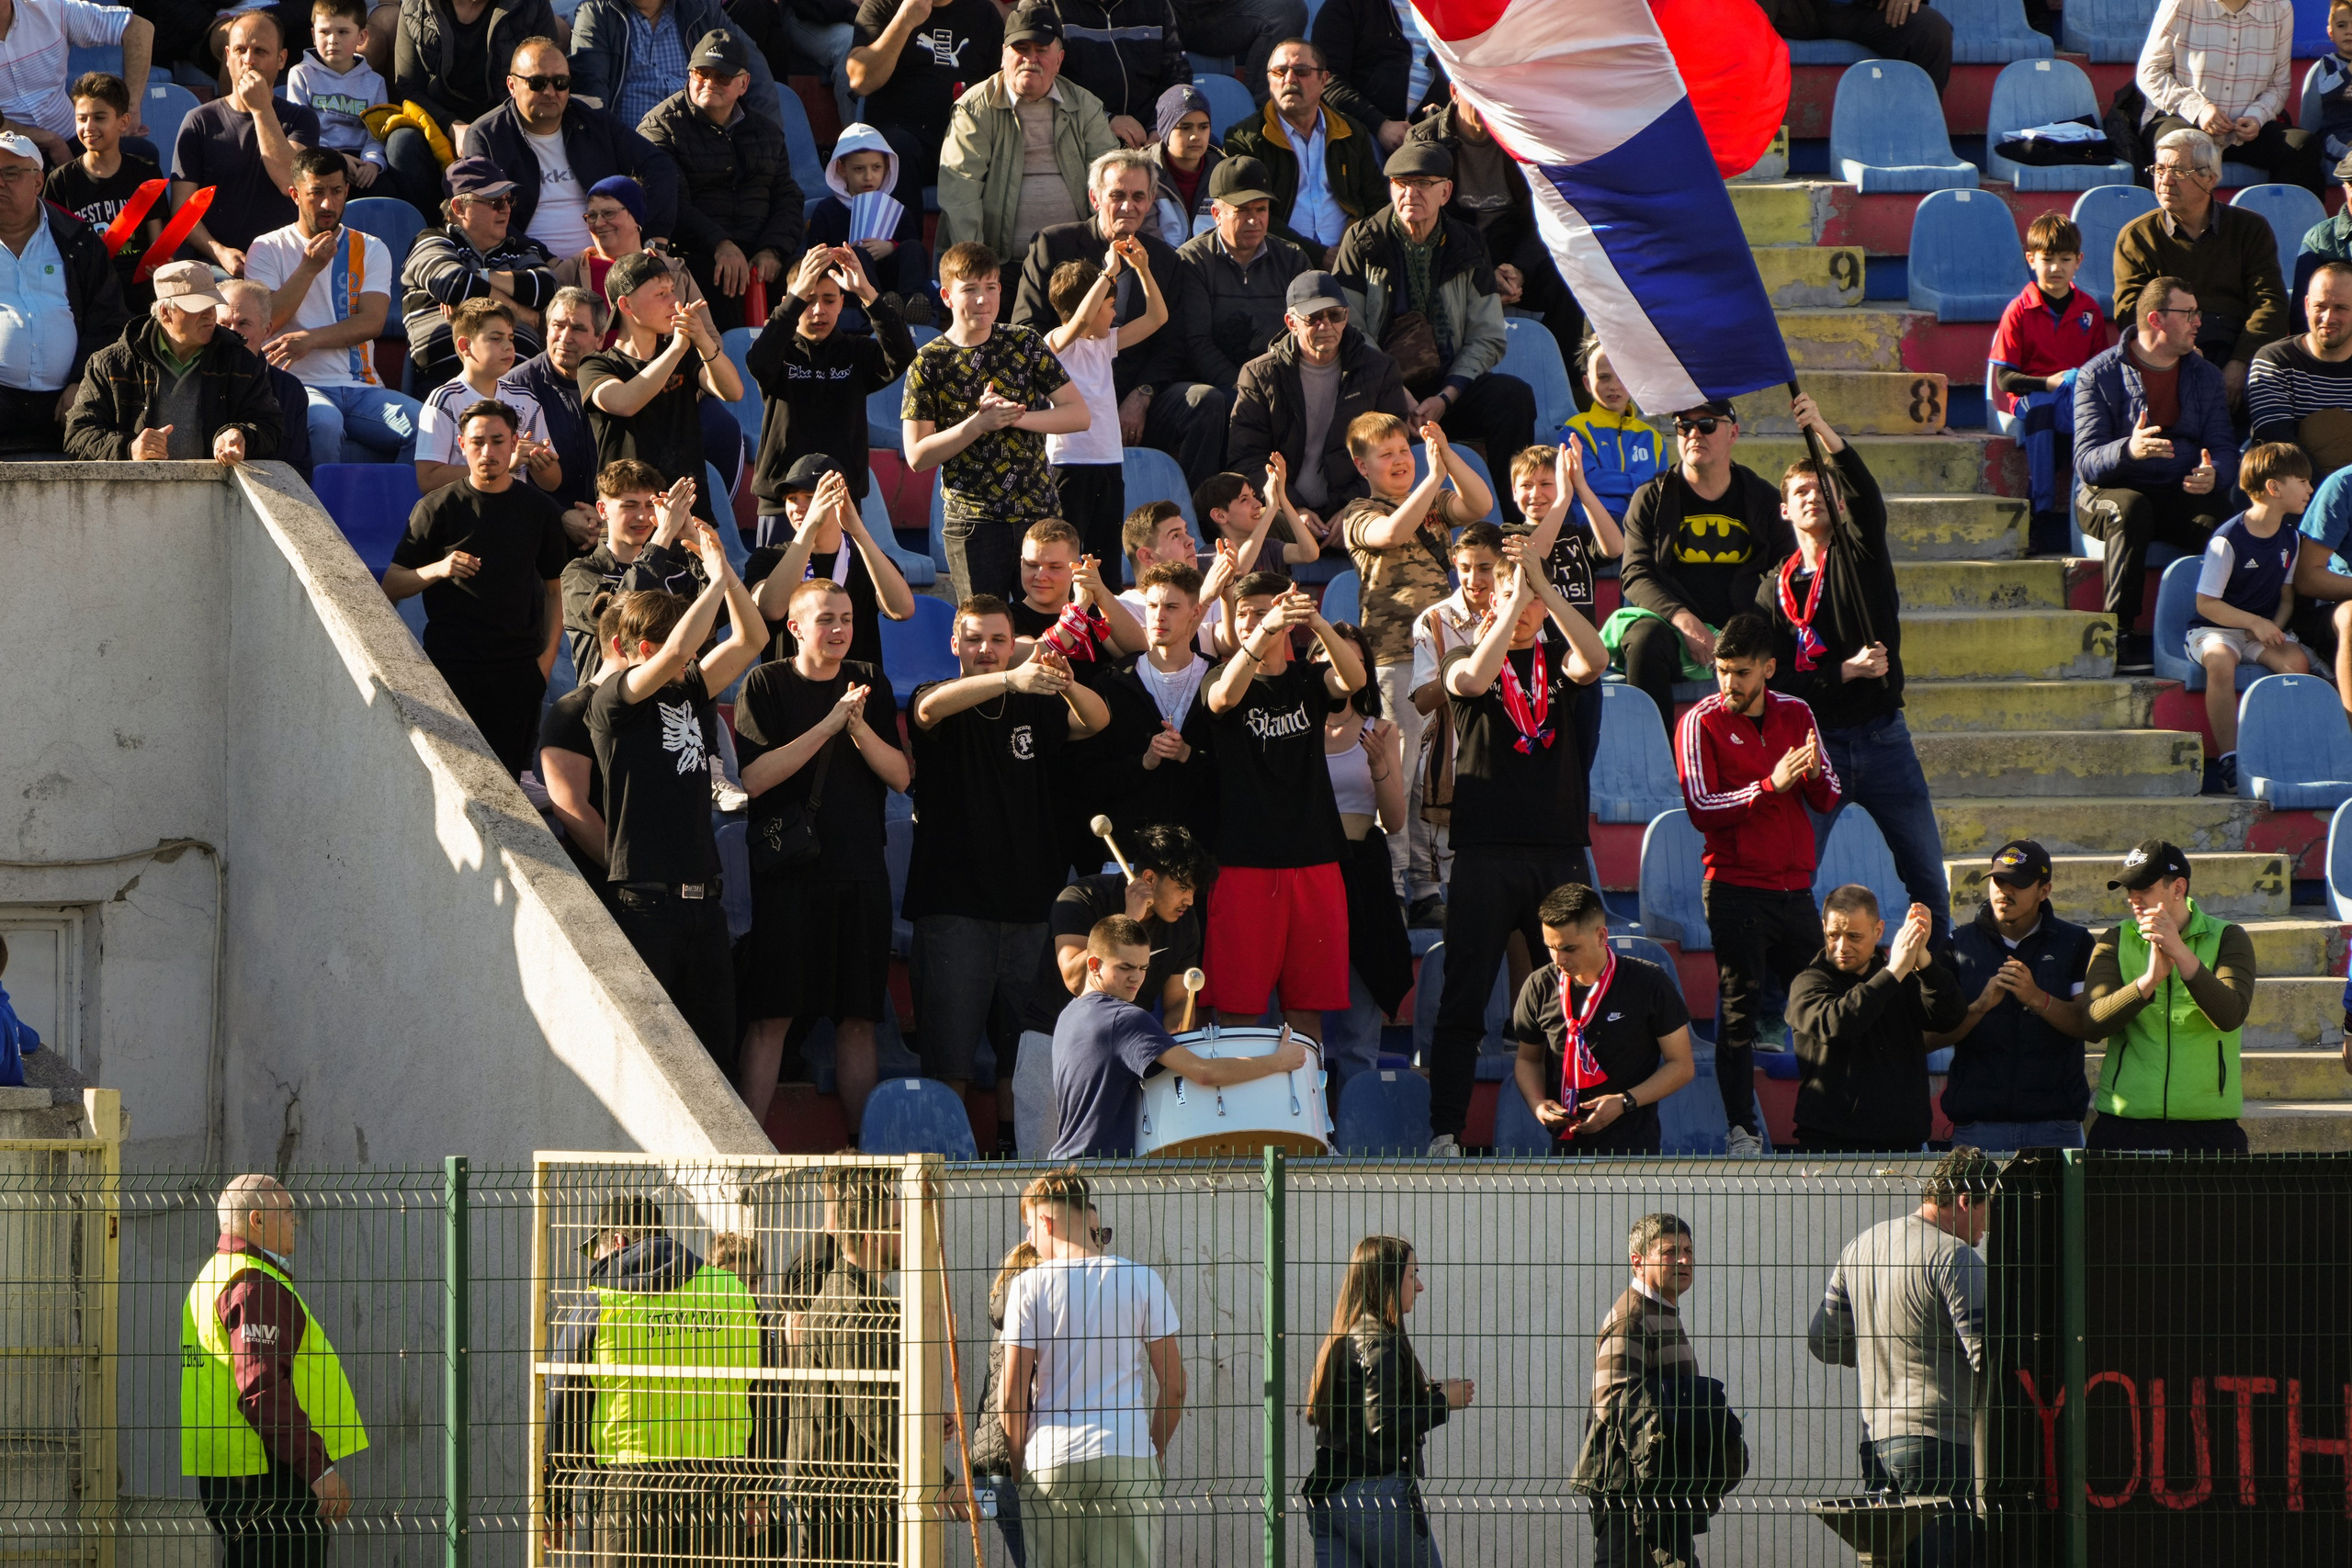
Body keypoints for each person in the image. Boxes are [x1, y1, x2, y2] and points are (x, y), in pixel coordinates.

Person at [1428, 541, 1610, 1152]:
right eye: (1511, 597)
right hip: (1484, 853)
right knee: (1464, 998)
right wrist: (1506, 610)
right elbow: (1472, 677)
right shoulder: (1463, 655)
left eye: (1531, 599)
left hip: (1557, 853)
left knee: (1567, 1002)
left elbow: (1598, 654)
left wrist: (1545, 590)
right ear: (1491, 602)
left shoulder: (1559, 662)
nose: (1524, 609)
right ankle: (1445, 1131)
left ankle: (1570, 1128)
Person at [1756, 398, 1948, 939]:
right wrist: (1843, 672)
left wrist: (1822, 430)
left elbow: (1867, 500)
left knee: (1928, 880)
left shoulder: (1859, 555)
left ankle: (1941, 982)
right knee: (1792, 878)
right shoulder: (1771, 588)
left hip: (1885, 741)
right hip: (1816, 749)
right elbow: (1776, 680)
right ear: (1785, 510)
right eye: (1801, 492)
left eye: (1823, 488)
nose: (1813, 496)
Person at [905, 594, 1110, 1100]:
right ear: (955, 642)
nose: (986, 649)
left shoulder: (1033, 701)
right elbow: (928, 710)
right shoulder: (937, 693)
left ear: (1012, 643)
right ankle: (948, 1166)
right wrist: (1008, 678)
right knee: (949, 1059)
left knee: (1022, 1061)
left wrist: (1065, 682)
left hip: (1031, 908)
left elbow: (1097, 721)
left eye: (998, 640)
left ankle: (1010, 1157)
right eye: (974, 638)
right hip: (954, 909)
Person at [584, 536, 768, 1070]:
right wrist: (710, 584)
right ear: (638, 648)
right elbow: (673, 653)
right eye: (677, 647)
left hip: (701, 902)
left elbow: (752, 638)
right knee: (653, 1061)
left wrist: (725, 573)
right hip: (645, 903)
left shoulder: (688, 689)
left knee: (715, 1056)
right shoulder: (610, 700)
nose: (691, 656)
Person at [733, 577, 909, 1133]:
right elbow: (755, 780)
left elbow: (901, 777)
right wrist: (829, 724)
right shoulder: (765, 684)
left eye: (847, 619)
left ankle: (868, 1159)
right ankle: (743, 1153)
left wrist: (855, 727)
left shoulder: (870, 683)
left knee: (858, 1019)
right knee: (772, 1017)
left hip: (860, 870)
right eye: (826, 620)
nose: (839, 630)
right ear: (795, 627)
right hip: (790, 875)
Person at [1676, 612, 1840, 1156]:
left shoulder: (1798, 712)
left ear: (1768, 669)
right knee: (1740, 1010)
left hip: (1795, 889)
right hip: (1735, 887)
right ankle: (1742, 1130)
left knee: (1821, 1006)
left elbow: (1830, 793)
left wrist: (1812, 775)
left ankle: (1826, 1123)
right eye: (1722, 671)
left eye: (1741, 673)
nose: (1729, 685)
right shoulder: (1699, 722)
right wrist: (1771, 784)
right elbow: (1701, 808)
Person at [540, 1193, 760, 1567]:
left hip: (629, 1488)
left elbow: (563, 1402)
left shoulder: (599, 1304)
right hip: (720, 1484)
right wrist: (758, 1485)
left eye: (598, 1250)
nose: (597, 1261)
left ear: (619, 1242)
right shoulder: (733, 1293)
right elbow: (765, 1392)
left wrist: (554, 1501)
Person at [1806, 1147, 1996, 1568]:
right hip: (1942, 1442)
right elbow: (1988, 1358)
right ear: (1965, 1200)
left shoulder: (1861, 1245)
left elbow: (1822, 1340)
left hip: (1878, 1443)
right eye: (1988, 1209)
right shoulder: (1956, 1257)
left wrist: (1881, 1347)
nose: (1987, 1225)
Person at [1330, 410, 1491, 895]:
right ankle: (1396, 884)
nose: (1400, 461)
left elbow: (1480, 503)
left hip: (1439, 658)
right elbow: (1393, 533)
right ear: (1363, 466)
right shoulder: (1360, 513)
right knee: (1398, 773)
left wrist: (1445, 459)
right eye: (1387, 455)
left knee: (1433, 774)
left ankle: (1426, 886)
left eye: (1405, 451)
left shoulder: (1437, 501)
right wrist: (1434, 480)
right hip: (1392, 659)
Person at [1202, 572, 1367, 1033]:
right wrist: (1263, 632)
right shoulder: (1221, 674)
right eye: (1244, 613)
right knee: (1238, 1010)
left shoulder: (1307, 678)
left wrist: (1317, 622)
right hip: (1244, 863)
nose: (1255, 620)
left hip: (1314, 858)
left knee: (1306, 1011)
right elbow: (1222, 698)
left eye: (1263, 610)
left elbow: (1353, 679)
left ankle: (1308, 1104)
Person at [1332, 142, 1534, 513]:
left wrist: (1446, 398)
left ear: (1446, 191)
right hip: (1381, 389)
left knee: (1513, 397)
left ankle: (1512, 518)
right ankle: (1360, 518)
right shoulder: (1363, 241)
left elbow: (1487, 334)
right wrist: (1397, 391)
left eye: (1423, 183)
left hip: (1448, 386)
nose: (1411, 194)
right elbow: (1349, 330)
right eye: (1400, 183)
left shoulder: (1468, 243)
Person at [1000, 1167, 1185, 1568]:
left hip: (1050, 1460)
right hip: (1125, 1454)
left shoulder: (1027, 1287)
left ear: (1047, 1220)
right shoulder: (1141, 1280)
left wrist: (1019, 1470)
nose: (1030, 1239)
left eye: (1031, 1227)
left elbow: (1012, 1396)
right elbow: (1175, 1387)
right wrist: (1151, 1452)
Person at [1012, 145, 1226, 492]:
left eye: (1139, 196)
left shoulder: (1163, 260)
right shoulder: (1054, 244)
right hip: (1065, 394)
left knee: (1205, 402)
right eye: (1117, 195)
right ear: (1095, 199)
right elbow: (1026, 329)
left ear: (1152, 200)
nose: (1129, 205)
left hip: (1135, 394)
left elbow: (1171, 343)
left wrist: (1142, 396)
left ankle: (1194, 517)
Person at [182, 1174, 366, 1568]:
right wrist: (318, 1469)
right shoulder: (253, 1286)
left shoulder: (215, 1275)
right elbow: (262, 1391)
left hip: (234, 1473)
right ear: (257, 1221)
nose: (296, 1221)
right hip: (271, 1477)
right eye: (287, 1211)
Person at [383, 398, 570, 772]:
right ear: (462, 445)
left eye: (498, 441)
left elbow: (556, 590)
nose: (488, 451)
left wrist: (543, 666)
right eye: (478, 442)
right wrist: (439, 569)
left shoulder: (538, 509)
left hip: (518, 671)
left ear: (515, 443)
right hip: (451, 667)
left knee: (508, 784)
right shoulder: (437, 507)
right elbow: (390, 584)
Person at [902, 240, 1089, 603]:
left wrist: (1015, 419)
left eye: (990, 288)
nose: (982, 299)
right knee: (984, 634)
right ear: (947, 296)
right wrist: (978, 424)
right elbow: (917, 455)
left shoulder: (1024, 342)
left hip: (1038, 512)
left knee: (1047, 630)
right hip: (973, 520)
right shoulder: (929, 361)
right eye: (970, 289)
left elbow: (1078, 415)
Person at [2073, 273, 2237, 671]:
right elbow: (2086, 462)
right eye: (2189, 313)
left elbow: (2224, 447)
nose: (2199, 321)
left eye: (2198, 312)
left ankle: (2217, 629)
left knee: (2222, 524)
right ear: (2156, 321)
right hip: (2109, 493)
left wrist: (2215, 472)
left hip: (2178, 492)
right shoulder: (2097, 374)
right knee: (2131, 510)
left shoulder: (2206, 375)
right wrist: (2129, 450)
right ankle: (2120, 634)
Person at [1015, 826, 1210, 1156]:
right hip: (1052, 1042)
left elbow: (1178, 1001)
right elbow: (1076, 981)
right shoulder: (1081, 896)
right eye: (1182, 888)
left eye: (1193, 890)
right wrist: (1126, 920)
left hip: (1121, 1055)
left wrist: (1177, 1028)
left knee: (1112, 1176)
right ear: (1148, 878)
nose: (1189, 900)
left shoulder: (1184, 922)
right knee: (1044, 1175)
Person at [1050, 912, 1309, 1156]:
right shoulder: (1125, 1018)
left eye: (1143, 968)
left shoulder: (1068, 1015)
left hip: (1064, 1169)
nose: (1136, 978)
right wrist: (1278, 1063)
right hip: (1100, 1174)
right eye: (1126, 967)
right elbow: (1204, 1073)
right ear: (1094, 965)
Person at [1614, 399, 1792, 740]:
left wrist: (1746, 626)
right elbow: (1635, 574)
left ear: (1733, 433)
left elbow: (1787, 570)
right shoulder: (1651, 497)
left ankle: (1769, 749)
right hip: (1672, 625)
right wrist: (1683, 621)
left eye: (1707, 424)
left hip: (1740, 620)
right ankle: (1655, 753)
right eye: (1684, 425)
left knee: (1781, 637)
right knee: (1643, 640)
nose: (1695, 433)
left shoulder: (1761, 498)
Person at [247, 146, 426, 465]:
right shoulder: (267, 247)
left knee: (431, 427)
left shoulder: (370, 247)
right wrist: (308, 268)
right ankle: (321, 514)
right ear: (295, 194)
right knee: (324, 424)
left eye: (337, 191)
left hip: (363, 388)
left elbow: (372, 322)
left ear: (347, 190)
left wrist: (310, 339)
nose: (329, 204)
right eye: (316, 193)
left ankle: (398, 512)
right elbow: (267, 319)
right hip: (298, 384)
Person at [1303, 1235, 1473, 1568]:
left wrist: (1424, 1393)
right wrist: (1442, 1403)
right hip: (1374, 1498)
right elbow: (1383, 1426)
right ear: (1388, 1281)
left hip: (1328, 1497)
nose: (1420, 1286)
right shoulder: (1382, 1341)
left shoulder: (1347, 1334)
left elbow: (1359, 1411)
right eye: (1413, 1275)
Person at [2082, 838, 2259, 1152]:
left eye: (2144, 889)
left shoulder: (2229, 937)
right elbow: (2092, 1024)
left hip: (2208, 1129)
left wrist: (2179, 952)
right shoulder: (2115, 939)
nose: (2133, 899)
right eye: (2129, 891)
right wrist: (2149, 981)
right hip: (2125, 1125)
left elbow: (2231, 1015)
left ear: (2178, 888)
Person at [1928, 840, 2095, 1152]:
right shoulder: (1956, 945)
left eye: (2017, 884)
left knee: (2060, 1204)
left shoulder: (2076, 943)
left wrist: (2037, 998)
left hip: (2055, 1127)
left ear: (2044, 891)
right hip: (1978, 1129)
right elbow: (1928, 1037)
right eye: (1998, 881)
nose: (2004, 891)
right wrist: (1978, 1008)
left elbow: (2088, 1025)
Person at [1509, 881, 1694, 1157]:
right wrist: (1537, 1104)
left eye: (1569, 948)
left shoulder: (1648, 982)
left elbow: (1681, 1066)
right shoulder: (1540, 985)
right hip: (1565, 1149)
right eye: (1551, 947)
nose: (1559, 959)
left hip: (1633, 1151)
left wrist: (1625, 1101)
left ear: (1601, 936)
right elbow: (1528, 1060)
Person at [1404, 83, 1582, 368]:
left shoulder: (1522, 136)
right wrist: (1484, 277)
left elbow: (1547, 212)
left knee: (1566, 272)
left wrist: (1520, 270)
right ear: (1454, 91)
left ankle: (1571, 382)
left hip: (1514, 253)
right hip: (1458, 256)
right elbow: (1422, 225)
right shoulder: (1426, 139)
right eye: (1478, 95)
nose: (1488, 105)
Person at [637, 28, 803, 334]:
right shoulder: (659, 126)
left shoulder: (766, 131)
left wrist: (772, 250)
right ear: (689, 74)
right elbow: (671, 204)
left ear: (743, 84)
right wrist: (720, 244)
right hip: (697, 254)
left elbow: (788, 197)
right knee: (718, 279)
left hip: (761, 253)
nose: (709, 83)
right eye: (702, 73)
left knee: (815, 276)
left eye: (722, 77)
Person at [2111, 128, 2290, 412]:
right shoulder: (2137, 236)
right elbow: (2132, 312)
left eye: (2178, 172)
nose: (2165, 181)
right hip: (2172, 354)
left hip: (2238, 346)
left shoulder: (2250, 229)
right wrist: (2181, 354)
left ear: (2211, 178)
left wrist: (2241, 362)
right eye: (2159, 169)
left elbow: (2270, 303)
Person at [459, 38, 681, 261]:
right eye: (537, 82)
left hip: (612, 264)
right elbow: (482, 215)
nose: (550, 91)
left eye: (560, 82)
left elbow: (659, 167)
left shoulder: (596, 120)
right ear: (512, 86)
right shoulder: (485, 135)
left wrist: (655, 239)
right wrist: (545, 261)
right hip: (529, 269)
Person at [1227, 269, 1412, 535]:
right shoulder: (1260, 375)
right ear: (1292, 323)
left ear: (1346, 316)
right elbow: (1247, 459)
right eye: (1314, 318)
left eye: (1335, 315)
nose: (1326, 326)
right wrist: (1293, 509)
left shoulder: (1380, 370)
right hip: (1282, 509)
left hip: (1361, 508)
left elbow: (1393, 450)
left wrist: (1355, 507)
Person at [934, 4, 1119, 265]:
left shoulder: (1086, 107)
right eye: (1021, 49)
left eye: (1041, 51)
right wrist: (977, 267)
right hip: (1000, 266)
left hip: (1076, 263)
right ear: (1003, 56)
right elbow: (960, 193)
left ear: (1059, 60)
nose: (1030, 59)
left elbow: (1109, 184)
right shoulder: (974, 110)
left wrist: (1102, 253)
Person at [1785, 887, 1963, 1154]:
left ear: (1878, 931)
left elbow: (1949, 1016)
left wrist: (1923, 958)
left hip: (1904, 1145)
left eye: (1854, 936)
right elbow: (1838, 1024)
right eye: (1833, 935)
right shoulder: (1808, 982)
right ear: (1823, 928)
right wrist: (1895, 971)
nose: (1842, 946)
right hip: (1832, 1147)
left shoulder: (1903, 976)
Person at [745, 245, 911, 528]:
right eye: (808, 300)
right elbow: (757, 361)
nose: (818, 310)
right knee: (779, 574)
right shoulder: (778, 350)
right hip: (782, 501)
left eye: (829, 299)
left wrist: (868, 294)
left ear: (841, 302)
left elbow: (903, 354)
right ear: (791, 302)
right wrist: (795, 299)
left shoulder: (856, 352)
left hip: (841, 500)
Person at [2188, 443, 2320, 793]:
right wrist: (2255, 623)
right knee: (2220, 661)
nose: (2310, 489)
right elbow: (2206, 604)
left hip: (2257, 632)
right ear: (2274, 488)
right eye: (2303, 481)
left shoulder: (2291, 538)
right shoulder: (2228, 539)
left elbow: (2286, 598)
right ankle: (2230, 757)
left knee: (2296, 663)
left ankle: (2282, 754)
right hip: (2214, 630)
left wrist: (2273, 625)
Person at [578, 247, 742, 524]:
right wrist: (677, 349)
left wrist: (702, 340)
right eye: (660, 294)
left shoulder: (685, 353)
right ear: (626, 306)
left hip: (689, 515)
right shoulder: (596, 364)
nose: (673, 301)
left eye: (672, 291)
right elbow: (625, 402)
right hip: (631, 519)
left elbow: (732, 391)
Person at [787, 1168, 903, 1562]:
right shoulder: (853, 1307)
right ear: (873, 1237)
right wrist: (939, 1481)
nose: (909, 1233)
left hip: (855, 1496)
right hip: (841, 1506)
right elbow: (871, 1411)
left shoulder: (868, 1295)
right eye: (899, 1225)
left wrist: (920, 1418)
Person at [1577, 1213, 1703, 1568]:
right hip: (1632, 1499)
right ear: (1637, 1261)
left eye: (1688, 1250)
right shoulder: (1631, 1318)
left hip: (1660, 1495)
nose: (1683, 1260)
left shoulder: (1661, 1311)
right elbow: (1613, 1407)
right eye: (1669, 1252)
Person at [65, 259, 285, 462]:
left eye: (213, 305)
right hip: (134, 496)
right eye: (198, 307)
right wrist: (130, 449)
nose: (210, 315)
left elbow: (270, 429)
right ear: (165, 312)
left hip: (215, 496)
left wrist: (241, 436)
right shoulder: (110, 364)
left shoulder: (241, 361)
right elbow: (78, 436)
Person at [0, 129, 127, 456]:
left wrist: (82, 383)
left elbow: (109, 320)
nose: (0, 182)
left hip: (68, 404)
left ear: (38, 181)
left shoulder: (77, 239)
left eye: (10, 173)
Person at [1320, 618, 1416, 1049]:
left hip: (1362, 871)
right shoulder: (1293, 731)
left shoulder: (1381, 730)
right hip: (1311, 869)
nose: (1343, 670)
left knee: (1360, 1020)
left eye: (1356, 662)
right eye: (1330, 657)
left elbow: (1394, 821)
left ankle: (1358, 1107)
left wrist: (1379, 769)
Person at [1045, 243, 1170, 569]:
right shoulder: (1056, 344)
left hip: (1109, 464)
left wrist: (1142, 269)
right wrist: (1108, 272)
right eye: (1110, 306)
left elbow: (1158, 317)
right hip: (1069, 465)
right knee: (1067, 556)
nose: (1114, 314)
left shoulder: (1105, 343)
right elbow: (1082, 317)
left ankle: (1104, 617)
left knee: (1106, 561)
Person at [1405, 520, 1506, 923]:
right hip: (1452, 760)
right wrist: (1472, 662)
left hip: (1506, 756)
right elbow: (1421, 700)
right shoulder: (1433, 620)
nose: (1473, 578)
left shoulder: (1524, 612)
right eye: (1465, 567)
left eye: (1484, 568)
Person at [1989, 211, 2111, 534]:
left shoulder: (2090, 310)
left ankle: (2094, 505)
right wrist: (2049, 381)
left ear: (2078, 261)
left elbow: (2100, 371)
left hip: (2074, 397)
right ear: (2031, 259)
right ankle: (2039, 511)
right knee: (2042, 410)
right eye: (2047, 259)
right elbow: (2004, 379)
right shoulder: (2018, 310)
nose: (2056, 268)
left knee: (2097, 416)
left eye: (2065, 259)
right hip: (2032, 396)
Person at [1088, 558, 1222, 850]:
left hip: (1201, 855)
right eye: (1152, 606)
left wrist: (1188, 755)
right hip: (1131, 854)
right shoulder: (1112, 683)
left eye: (1171, 607)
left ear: (1195, 613)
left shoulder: (1220, 681)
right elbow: (1091, 778)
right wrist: (1143, 763)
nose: (1158, 617)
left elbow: (1235, 776)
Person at [172, 13, 323, 267]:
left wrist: (261, 110)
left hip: (285, 264)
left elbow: (289, 181)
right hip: (217, 266)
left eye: (261, 51)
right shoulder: (198, 121)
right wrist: (219, 252)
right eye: (241, 50)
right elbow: (181, 211)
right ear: (227, 57)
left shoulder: (301, 120)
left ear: (281, 59)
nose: (249, 60)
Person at [397, 153, 560, 390]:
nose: (506, 210)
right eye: (495, 202)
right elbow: (453, 284)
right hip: (449, 380)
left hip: (520, 384)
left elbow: (545, 288)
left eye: (508, 200)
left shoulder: (519, 248)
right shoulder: (432, 240)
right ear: (459, 207)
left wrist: (479, 279)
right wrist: (518, 312)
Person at [385, 0, 562, 214]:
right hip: (440, 123)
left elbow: (545, 76)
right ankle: (437, 226)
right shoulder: (416, 5)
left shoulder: (530, 5)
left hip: (506, 117)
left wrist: (482, 132)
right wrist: (453, 126)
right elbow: (408, 87)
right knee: (401, 145)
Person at [1222, 38, 1383, 261]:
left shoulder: (1352, 133)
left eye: (1301, 71)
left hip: (1350, 260)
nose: (1289, 79)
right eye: (1279, 72)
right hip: (1278, 262)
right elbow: (1249, 215)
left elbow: (1377, 205)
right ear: (1269, 79)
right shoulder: (1245, 139)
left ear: (1323, 79)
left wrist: (1353, 252)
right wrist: (1317, 255)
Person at [2137, 0, 2318, 193]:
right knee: (2181, 148)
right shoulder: (2181, 3)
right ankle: (2185, 223)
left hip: (2244, 133)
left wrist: (2257, 116)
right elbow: (2150, 72)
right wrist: (2199, 109)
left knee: (2302, 146)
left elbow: (2279, 85)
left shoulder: (2279, 8)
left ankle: (2274, 220)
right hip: (2183, 121)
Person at [1173, 152, 1309, 390]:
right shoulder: (1192, 261)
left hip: (1280, 381)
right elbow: (1197, 343)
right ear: (1217, 215)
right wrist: (1244, 388)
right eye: (1242, 210)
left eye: (1261, 209)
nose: (1254, 220)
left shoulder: (1292, 258)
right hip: (1218, 387)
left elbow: (1308, 329)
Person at [560, 460, 705, 675]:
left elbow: (718, 617)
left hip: (674, 702)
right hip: (611, 704)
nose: (643, 516)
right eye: (629, 505)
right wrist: (663, 535)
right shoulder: (579, 573)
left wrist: (697, 544)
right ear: (602, 510)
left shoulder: (677, 573)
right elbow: (618, 620)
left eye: (649, 505)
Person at [844, 0, 1005, 191]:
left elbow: (1000, 88)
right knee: (898, 151)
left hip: (965, 140)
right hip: (901, 139)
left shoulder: (983, 13)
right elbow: (860, 82)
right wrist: (904, 21)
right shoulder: (884, 4)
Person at [566, 0, 777, 139]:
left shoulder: (701, 8)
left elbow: (756, 73)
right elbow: (591, 96)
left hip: (704, 151)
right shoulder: (598, 13)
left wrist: (762, 144)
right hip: (634, 153)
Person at [412, 296, 561, 492]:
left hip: (514, 515)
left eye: (510, 338)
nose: (508, 346)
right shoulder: (444, 401)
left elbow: (553, 482)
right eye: (496, 338)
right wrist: (503, 465)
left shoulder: (525, 399)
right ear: (464, 346)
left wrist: (541, 462)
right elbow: (428, 481)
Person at [45, 72, 164, 311]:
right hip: (89, 293)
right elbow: (55, 251)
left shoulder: (145, 173)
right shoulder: (61, 180)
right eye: (81, 119)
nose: (89, 127)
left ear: (123, 122)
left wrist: (160, 266)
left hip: (141, 290)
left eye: (99, 117)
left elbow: (157, 243)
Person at [801, 120, 931, 329]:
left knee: (914, 247)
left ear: (886, 167)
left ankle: (911, 304)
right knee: (858, 255)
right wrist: (846, 255)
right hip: (850, 285)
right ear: (842, 169)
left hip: (892, 285)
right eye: (859, 169)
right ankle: (877, 306)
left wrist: (891, 246)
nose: (869, 176)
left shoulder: (897, 210)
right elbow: (816, 252)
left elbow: (912, 248)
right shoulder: (828, 210)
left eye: (876, 167)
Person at [0, 0, 152, 168]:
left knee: (141, 157)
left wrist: (130, 106)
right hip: (9, 149)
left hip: (74, 137)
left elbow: (139, 28)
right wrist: (50, 141)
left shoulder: (52, 10)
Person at [501, 283, 604, 526]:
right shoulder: (513, 388)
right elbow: (506, 476)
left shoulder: (616, 381)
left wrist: (608, 517)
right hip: (540, 524)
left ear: (599, 339)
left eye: (578, 328)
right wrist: (560, 516)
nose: (565, 337)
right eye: (558, 326)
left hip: (608, 522)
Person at [545, 174, 702, 322]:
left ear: (636, 218)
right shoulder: (569, 274)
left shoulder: (673, 270)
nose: (599, 223)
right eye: (592, 216)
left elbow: (709, 338)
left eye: (609, 213)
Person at [971, 1238, 1041, 1564]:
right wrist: (1019, 1472)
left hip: (988, 1470)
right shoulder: (1033, 1322)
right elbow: (1013, 1402)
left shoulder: (1005, 1330)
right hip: (1015, 1467)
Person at [2248, 259, 2352, 473]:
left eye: (2340, 308)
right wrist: (2330, 496)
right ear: (2306, 306)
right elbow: (2278, 446)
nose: (2328, 318)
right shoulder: (2275, 361)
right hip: (2295, 495)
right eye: (2319, 306)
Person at [1555, 347, 1660, 540]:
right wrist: (1639, 481)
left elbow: (1660, 487)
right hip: (1597, 522)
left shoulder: (1651, 437)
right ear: (1587, 383)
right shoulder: (1576, 429)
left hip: (1643, 518)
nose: (1614, 386)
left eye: (1623, 377)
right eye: (1604, 377)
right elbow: (1588, 479)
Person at [1306, 0, 1439, 153]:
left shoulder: (1450, 9)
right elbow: (1326, 80)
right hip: (1365, 131)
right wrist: (1380, 125)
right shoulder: (1349, 5)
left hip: (1435, 133)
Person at [286, 0, 388, 197]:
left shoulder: (375, 82)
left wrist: (373, 162)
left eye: (342, 32)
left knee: (385, 191)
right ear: (314, 36)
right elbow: (299, 133)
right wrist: (335, 158)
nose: (332, 40)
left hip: (361, 159)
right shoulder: (300, 75)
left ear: (361, 36)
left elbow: (378, 134)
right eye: (324, 32)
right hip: (317, 156)